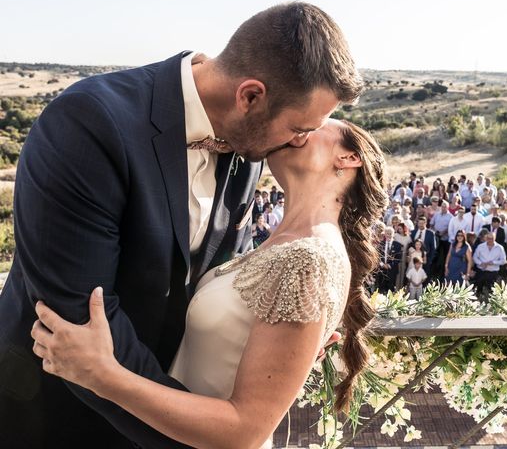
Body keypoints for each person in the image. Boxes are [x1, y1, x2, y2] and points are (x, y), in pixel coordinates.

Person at [1, 2, 364, 448]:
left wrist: (282, 343)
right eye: (298, 127)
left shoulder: (247, 145)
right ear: (250, 96)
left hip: (165, 405)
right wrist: (203, 435)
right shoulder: (90, 123)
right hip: (54, 414)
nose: (299, 140)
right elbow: (77, 316)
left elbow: (210, 278)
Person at [31, 119, 389, 449]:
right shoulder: (281, 242)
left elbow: (245, 430)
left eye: (314, 125)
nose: (297, 129)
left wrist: (103, 377)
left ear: (349, 157)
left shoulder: (311, 258)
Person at [472, 232, 507, 300]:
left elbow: (503, 261)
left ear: (495, 238)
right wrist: (480, 263)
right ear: (486, 238)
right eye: (488, 238)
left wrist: (493, 262)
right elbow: (475, 257)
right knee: (478, 290)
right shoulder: (480, 246)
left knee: (491, 292)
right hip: (481, 271)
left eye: (492, 238)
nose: (490, 240)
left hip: (492, 272)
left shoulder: (500, 248)